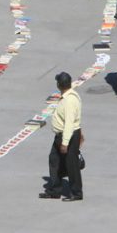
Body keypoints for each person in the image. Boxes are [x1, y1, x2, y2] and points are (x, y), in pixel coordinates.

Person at [39, 73, 85, 202]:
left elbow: (70, 123)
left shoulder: (69, 100)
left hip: (68, 136)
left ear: (59, 85)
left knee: (72, 165)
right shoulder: (67, 97)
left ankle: (76, 192)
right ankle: (55, 190)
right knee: (54, 160)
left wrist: (65, 143)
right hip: (62, 135)